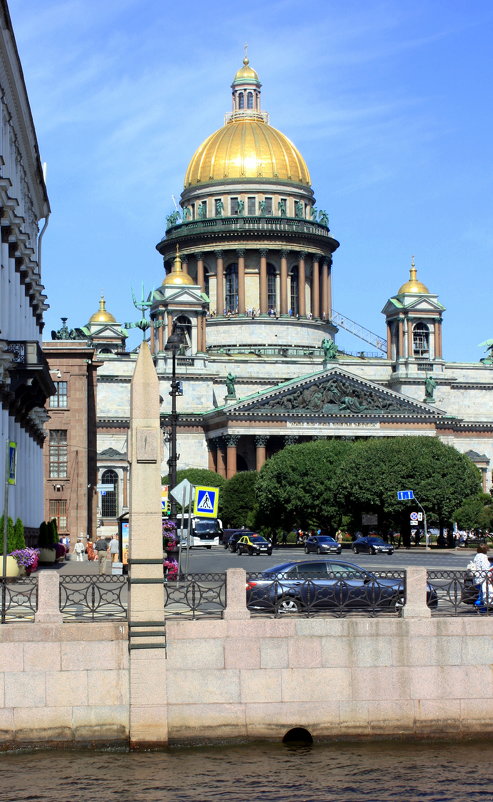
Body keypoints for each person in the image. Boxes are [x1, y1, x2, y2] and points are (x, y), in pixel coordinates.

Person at [472, 544, 492, 610]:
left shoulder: (477, 556)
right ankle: (481, 607)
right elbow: (485, 568)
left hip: (477, 577)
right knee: (485, 592)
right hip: (483, 578)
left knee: (481, 592)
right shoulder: (483, 557)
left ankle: (479, 605)